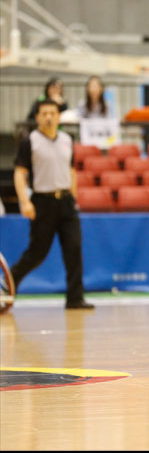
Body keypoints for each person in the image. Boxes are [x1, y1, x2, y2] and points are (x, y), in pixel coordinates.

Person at [11, 99, 92, 309]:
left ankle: (75, 298)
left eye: (52, 113)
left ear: (58, 116)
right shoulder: (30, 141)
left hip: (66, 202)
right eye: (44, 113)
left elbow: (71, 170)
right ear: (37, 117)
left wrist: (73, 196)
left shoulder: (67, 139)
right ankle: (8, 284)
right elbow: (20, 173)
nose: (48, 117)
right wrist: (24, 201)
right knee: (37, 252)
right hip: (42, 202)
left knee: (74, 248)